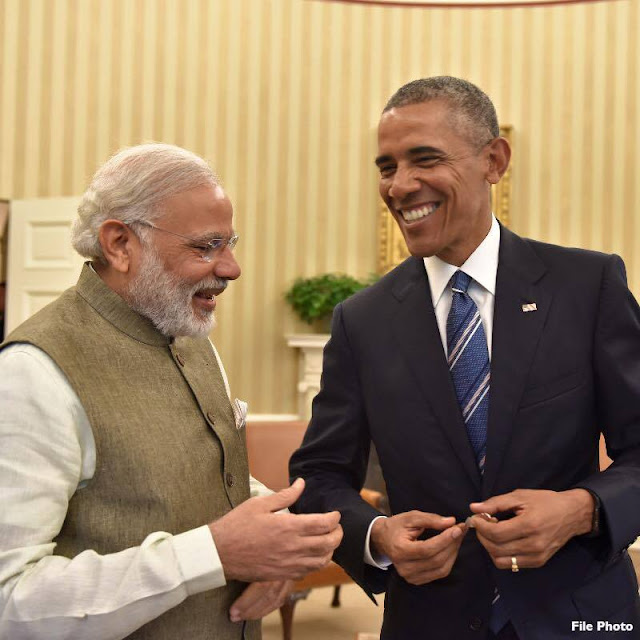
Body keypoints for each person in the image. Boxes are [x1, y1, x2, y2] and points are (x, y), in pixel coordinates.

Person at [289, 76, 640, 639]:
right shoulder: (362, 321)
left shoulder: (587, 285)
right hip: (429, 621)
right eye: (386, 167)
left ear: (494, 160)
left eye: (424, 159)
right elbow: (320, 475)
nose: (400, 186)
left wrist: (582, 509)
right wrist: (377, 536)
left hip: (582, 615)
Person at [0, 143, 343, 640]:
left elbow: (197, 483)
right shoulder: (34, 372)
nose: (231, 268)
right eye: (206, 246)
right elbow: (11, 600)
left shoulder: (190, 338)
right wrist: (214, 553)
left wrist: (278, 542)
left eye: (230, 243)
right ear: (119, 244)